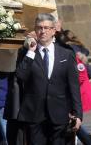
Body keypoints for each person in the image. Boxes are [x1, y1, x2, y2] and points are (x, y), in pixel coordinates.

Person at [15, 13, 83, 144]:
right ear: (35, 30)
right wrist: (30, 52)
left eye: (46, 28)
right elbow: (21, 76)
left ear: (53, 30)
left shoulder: (66, 53)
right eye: (39, 28)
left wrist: (78, 114)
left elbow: (74, 86)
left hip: (60, 114)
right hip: (34, 115)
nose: (42, 31)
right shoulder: (25, 53)